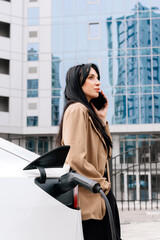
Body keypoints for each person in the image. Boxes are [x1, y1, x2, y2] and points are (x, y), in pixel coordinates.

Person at [56, 63, 121, 240]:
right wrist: (103, 185)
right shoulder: (77, 109)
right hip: (93, 199)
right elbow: (75, 158)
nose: (98, 82)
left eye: (97, 77)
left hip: (99, 198)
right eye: (91, 78)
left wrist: (101, 120)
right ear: (78, 83)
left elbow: (105, 155)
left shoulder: (87, 113)